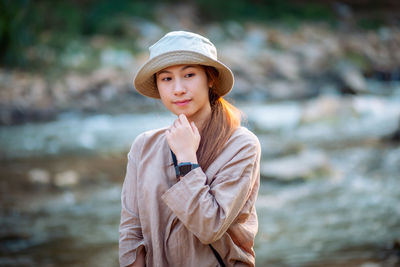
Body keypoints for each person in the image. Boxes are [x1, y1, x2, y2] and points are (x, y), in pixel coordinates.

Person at [119, 31, 261, 267]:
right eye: (166, 79)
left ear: (210, 78)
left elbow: (210, 228)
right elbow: (131, 232)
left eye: (189, 75)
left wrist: (187, 160)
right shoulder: (143, 146)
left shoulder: (241, 145)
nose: (178, 89)